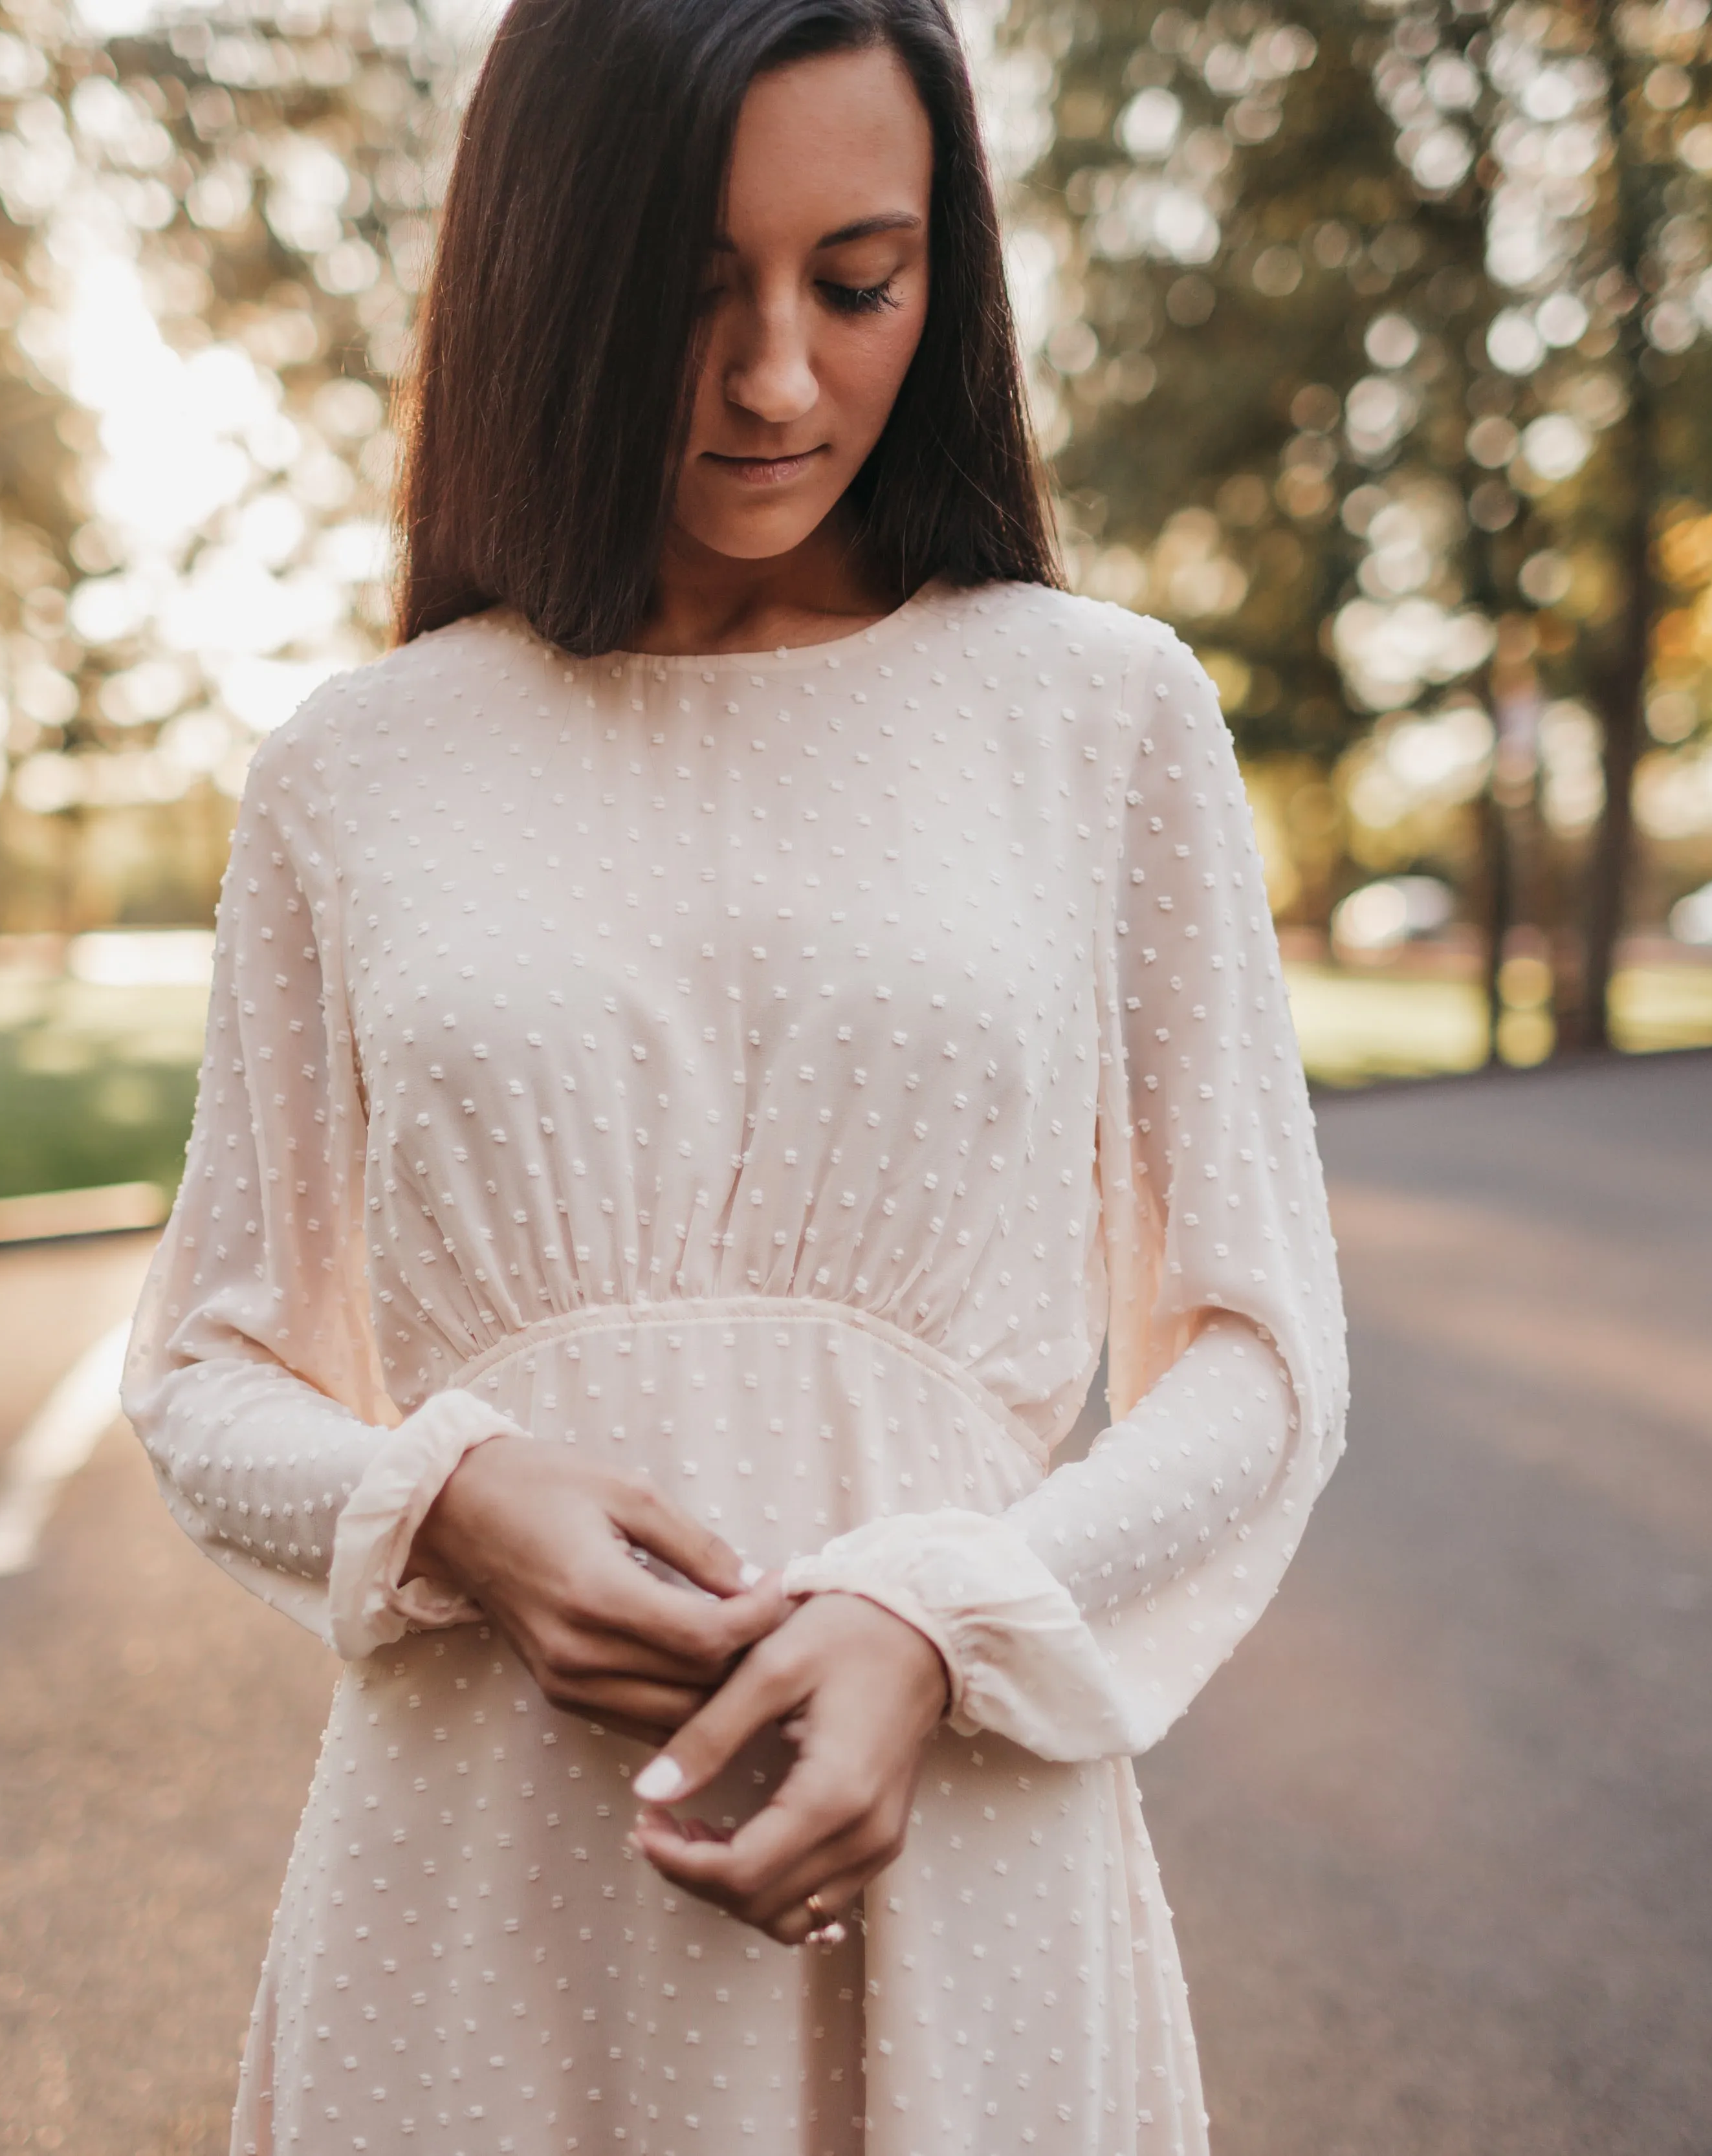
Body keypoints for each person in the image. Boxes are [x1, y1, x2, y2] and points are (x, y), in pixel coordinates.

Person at [120, 0, 1350, 2147]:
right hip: (474, 1909)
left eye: (858, 282)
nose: (782, 376)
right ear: (547, 277)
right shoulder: (361, 766)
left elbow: (1254, 1353)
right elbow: (208, 1367)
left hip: (961, 1861)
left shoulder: (1099, 716)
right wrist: (452, 1502)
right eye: (692, 293)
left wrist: (938, 1614)